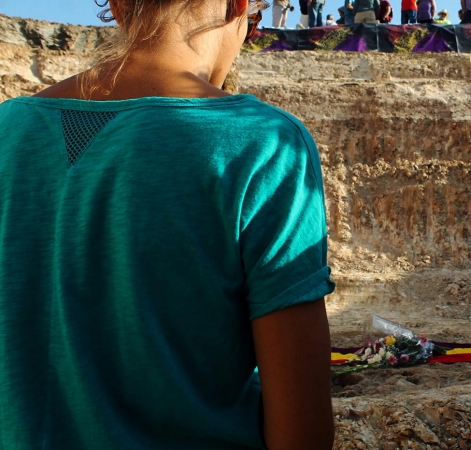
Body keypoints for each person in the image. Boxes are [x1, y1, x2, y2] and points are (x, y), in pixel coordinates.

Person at [0, 0, 336, 449]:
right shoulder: (265, 144)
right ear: (238, 5)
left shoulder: (7, 130)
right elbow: (302, 430)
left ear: (117, 7)